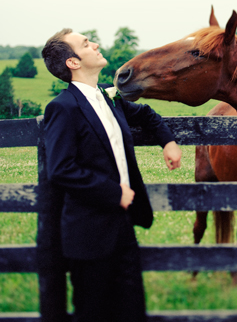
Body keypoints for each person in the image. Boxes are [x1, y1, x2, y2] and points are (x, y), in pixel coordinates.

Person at [41, 28, 182, 322]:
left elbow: (145, 114)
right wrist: (114, 192)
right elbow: (61, 169)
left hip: (124, 226)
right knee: (93, 313)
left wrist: (168, 141)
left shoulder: (107, 97)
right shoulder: (62, 108)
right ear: (73, 63)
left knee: (132, 310)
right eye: (85, 44)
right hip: (88, 234)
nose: (95, 45)